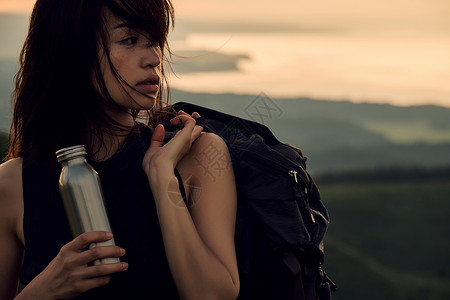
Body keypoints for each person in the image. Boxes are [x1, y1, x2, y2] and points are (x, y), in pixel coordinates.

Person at [0, 0, 240, 299]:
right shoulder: (12, 183)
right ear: (72, 49)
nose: (154, 58)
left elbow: (213, 296)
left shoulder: (197, 154)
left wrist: (162, 178)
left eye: (155, 41)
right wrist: (43, 290)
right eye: (130, 40)